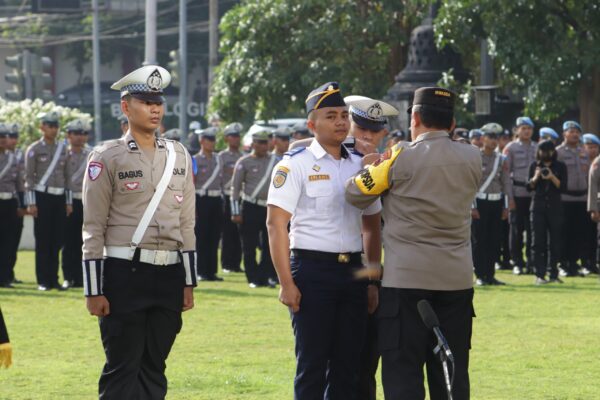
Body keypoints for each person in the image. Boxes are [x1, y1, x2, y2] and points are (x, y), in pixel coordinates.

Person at [345, 87, 481, 400]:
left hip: (407, 281)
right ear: (452, 123)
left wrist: (370, 166)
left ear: (415, 117)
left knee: (403, 370)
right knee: (451, 370)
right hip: (457, 280)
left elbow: (354, 193)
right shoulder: (473, 158)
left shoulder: (399, 157)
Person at [82, 65, 197, 399]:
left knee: (154, 367)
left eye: (158, 101)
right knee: (122, 367)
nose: (155, 108)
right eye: (146, 101)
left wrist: (188, 282)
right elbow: (93, 227)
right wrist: (93, 289)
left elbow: (187, 224)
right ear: (125, 107)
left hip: (169, 275)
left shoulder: (179, 154)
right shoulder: (106, 157)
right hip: (123, 274)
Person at [267, 82, 382, 400]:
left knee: (349, 367)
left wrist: (372, 279)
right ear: (312, 124)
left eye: (344, 115)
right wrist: (286, 283)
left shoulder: (360, 164)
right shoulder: (295, 164)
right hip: (311, 271)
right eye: (331, 115)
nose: (341, 122)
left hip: (353, 273)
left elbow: (372, 224)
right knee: (312, 366)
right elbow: (276, 225)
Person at [344, 94, 398, 400]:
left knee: (367, 359)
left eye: (374, 130)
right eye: (360, 126)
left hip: (372, 271)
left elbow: (374, 228)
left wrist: (372, 280)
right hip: (333, 265)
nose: (366, 135)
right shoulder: (331, 159)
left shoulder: (386, 163)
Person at [25, 111, 71, 291]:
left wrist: (68, 202)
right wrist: (31, 203)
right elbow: (28, 178)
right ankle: (43, 280)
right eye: (50, 125)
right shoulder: (34, 149)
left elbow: (67, 177)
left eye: (56, 126)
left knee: (57, 240)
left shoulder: (63, 148)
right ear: (42, 127)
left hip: (59, 198)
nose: (54, 129)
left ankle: (54, 279)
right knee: (43, 240)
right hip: (42, 197)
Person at [231, 130, 278, 288]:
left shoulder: (275, 161)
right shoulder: (244, 162)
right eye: (261, 143)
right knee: (249, 245)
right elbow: (235, 189)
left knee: (268, 245)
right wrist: (235, 211)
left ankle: (264, 277)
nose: (265, 146)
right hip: (250, 206)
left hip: (269, 208)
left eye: (266, 142)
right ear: (253, 144)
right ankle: (252, 278)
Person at [472, 124, 512, 286]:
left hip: (496, 202)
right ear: (483, 139)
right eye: (490, 138)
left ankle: (490, 274)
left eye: (496, 138)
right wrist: (472, 206)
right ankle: (480, 274)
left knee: (494, 240)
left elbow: (506, 183)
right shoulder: (475, 157)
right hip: (479, 202)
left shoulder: (501, 159)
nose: (494, 142)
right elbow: (471, 184)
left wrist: (506, 206)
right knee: (479, 240)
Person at [527, 140, 567, 284]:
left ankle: (553, 274)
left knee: (555, 241)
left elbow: (563, 187)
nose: (546, 153)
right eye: (542, 150)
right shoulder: (534, 166)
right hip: (537, 207)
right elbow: (529, 187)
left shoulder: (560, 166)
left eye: (549, 150)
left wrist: (551, 177)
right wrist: (536, 177)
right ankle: (539, 274)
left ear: (553, 151)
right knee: (537, 242)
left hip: (555, 207)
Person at [504, 117, 538, 275]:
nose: (527, 131)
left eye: (529, 128)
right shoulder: (510, 148)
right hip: (517, 193)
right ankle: (517, 262)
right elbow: (505, 175)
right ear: (517, 130)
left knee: (533, 230)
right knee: (516, 230)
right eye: (523, 128)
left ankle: (532, 262)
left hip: (533, 194)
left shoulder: (538, 147)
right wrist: (509, 198)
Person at [556, 121, 590, 277]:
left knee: (579, 233)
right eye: (571, 131)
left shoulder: (584, 152)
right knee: (564, 232)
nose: (575, 134)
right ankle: (562, 263)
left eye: (577, 132)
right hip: (565, 198)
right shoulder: (559, 152)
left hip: (582, 197)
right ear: (564, 134)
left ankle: (573, 263)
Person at [61, 119, 91, 289]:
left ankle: (81, 277)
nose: (81, 137)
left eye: (84, 133)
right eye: (77, 133)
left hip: (87, 201)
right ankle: (68, 276)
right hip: (69, 201)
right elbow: (62, 180)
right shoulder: (63, 154)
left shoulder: (92, 154)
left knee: (84, 241)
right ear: (69, 135)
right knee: (68, 241)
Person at [194, 127, 224, 282]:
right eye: (209, 140)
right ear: (202, 141)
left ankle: (212, 271)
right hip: (201, 200)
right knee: (202, 236)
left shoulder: (218, 159)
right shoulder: (195, 160)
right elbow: (191, 183)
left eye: (213, 140)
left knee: (214, 236)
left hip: (216, 200)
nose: (212, 143)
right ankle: (201, 271)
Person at [0, 123, 24, 288]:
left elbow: (19, 184)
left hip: (9, 202)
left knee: (9, 242)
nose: (2, 140)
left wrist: (22, 204)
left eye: (4, 137)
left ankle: (6, 276)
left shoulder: (12, 158)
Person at [219, 122, 244, 274]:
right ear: (227, 138)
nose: (236, 139)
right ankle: (227, 263)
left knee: (239, 232)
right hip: (227, 196)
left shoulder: (244, 157)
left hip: (241, 196)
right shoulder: (221, 156)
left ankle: (236, 263)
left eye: (237, 136)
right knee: (227, 232)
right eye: (233, 136)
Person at [582, 133, 600, 274]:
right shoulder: (595, 163)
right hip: (587, 202)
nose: (592, 150)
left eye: (595, 147)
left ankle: (593, 263)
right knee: (587, 235)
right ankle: (587, 262)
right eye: (589, 147)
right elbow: (592, 187)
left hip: (593, 202)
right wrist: (593, 208)